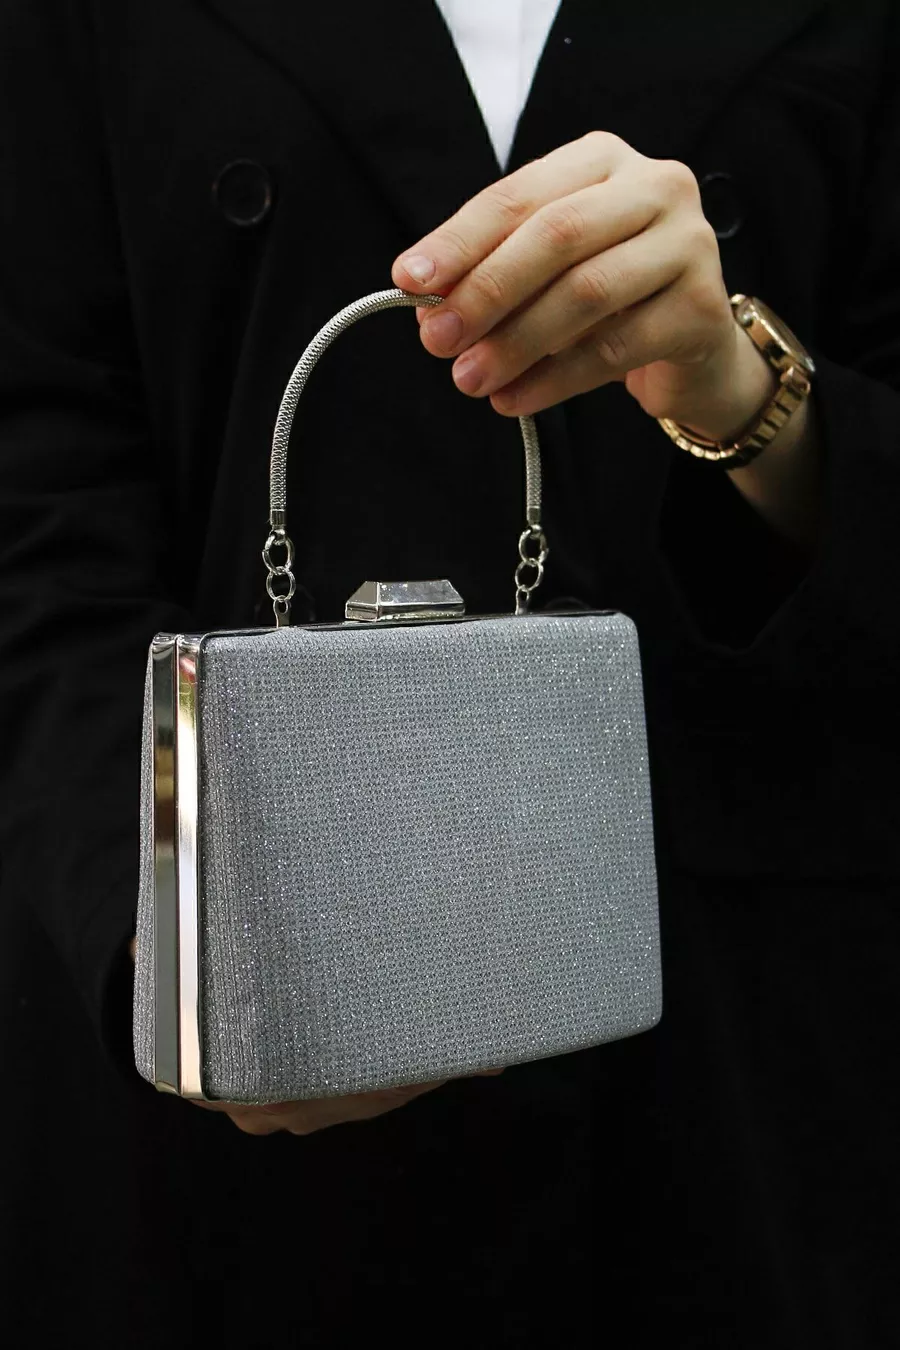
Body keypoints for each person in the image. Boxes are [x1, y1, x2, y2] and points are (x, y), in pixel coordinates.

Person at [1, 1, 897, 1345]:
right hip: (223, 1137)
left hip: (737, 1096)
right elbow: (31, 503)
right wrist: (170, 946)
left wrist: (740, 388)